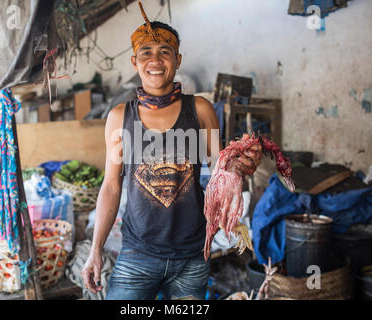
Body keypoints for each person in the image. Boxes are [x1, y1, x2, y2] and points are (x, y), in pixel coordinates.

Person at [82, 2, 262, 300]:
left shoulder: (201, 110)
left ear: (177, 59)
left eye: (165, 51)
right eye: (146, 52)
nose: (155, 59)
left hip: (191, 255)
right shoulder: (119, 117)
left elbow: (221, 170)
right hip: (137, 253)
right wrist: (95, 251)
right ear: (134, 61)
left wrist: (242, 166)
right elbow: (111, 187)